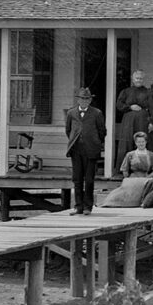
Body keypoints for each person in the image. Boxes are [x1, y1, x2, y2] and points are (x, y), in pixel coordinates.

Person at [64, 87, 105, 215]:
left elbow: (102, 131)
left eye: (87, 99)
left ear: (90, 100)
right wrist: (75, 140)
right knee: (77, 179)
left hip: (91, 150)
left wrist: (95, 142)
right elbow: (68, 130)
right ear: (78, 100)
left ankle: (88, 206)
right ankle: (78, 206)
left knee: (89, 179)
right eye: (82, 99)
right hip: (76, 150)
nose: (84, 101)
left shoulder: (97, 113)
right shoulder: (71, 113)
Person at [114, 69, 153, 174]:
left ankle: (146, 168)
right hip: (128, 121)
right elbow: (119, 105)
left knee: (143, 140)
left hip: (143, 120)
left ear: (143, 80)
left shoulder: (148, 92)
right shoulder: (126, 91)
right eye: (137, 78)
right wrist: (129, 107)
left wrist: (152, 121)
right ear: (133, 79)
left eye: (141, 78)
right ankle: (125, 169)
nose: (139, 80)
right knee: (127, 141)